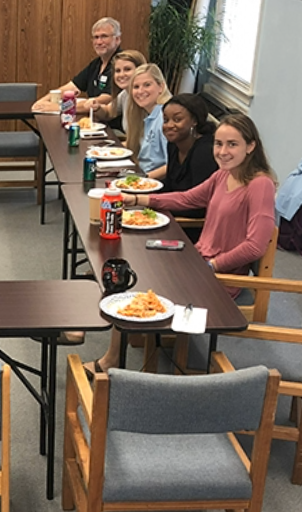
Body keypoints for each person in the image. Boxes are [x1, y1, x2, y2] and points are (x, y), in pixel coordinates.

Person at [86, 114, 277, 377]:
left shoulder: (260, 185)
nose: (223, 151)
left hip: (219, 278)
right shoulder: (224, 175)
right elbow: (187, 199)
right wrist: (138, 200)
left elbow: (256, 246)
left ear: (251, 146)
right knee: (131, 268)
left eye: (232, 144)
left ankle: (112, 359)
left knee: (136, 282)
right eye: (218, 144)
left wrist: (212, 265)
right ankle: (109, 339)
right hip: (198, 262)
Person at [148, 93, 219, 234]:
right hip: (171, 216)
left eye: (177, 119)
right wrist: (141, 194)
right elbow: (170, 185)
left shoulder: (205, 152)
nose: (169, 125)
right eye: (166, 120)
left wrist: (155, 204)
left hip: (193, 228)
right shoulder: (174, 144)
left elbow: (199, 205)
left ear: (194, 121)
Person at [33, 17, 122, 114]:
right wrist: (41, 102)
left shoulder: (122, 64)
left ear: (117, 39)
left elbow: (103, 100)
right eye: (96, 37)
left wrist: (59, 107)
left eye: (104, 36)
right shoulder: (96, 64)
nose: (99, 42)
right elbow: (72, 87)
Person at [124, 64, 172, 173]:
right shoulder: (145, 114)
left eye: (147, 85)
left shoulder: (164, 117)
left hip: (153, 179)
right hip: (139, 172)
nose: (140, 91)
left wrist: (142, 179)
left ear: (161, 87)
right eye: (136, 87)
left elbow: (172, 164)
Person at [87, 50, 147, 131]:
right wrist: (97, 107)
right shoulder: (125, 94)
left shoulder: (148, 97)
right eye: (118, 71)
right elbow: (108, 112)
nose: (121, 75)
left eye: (127, 69)